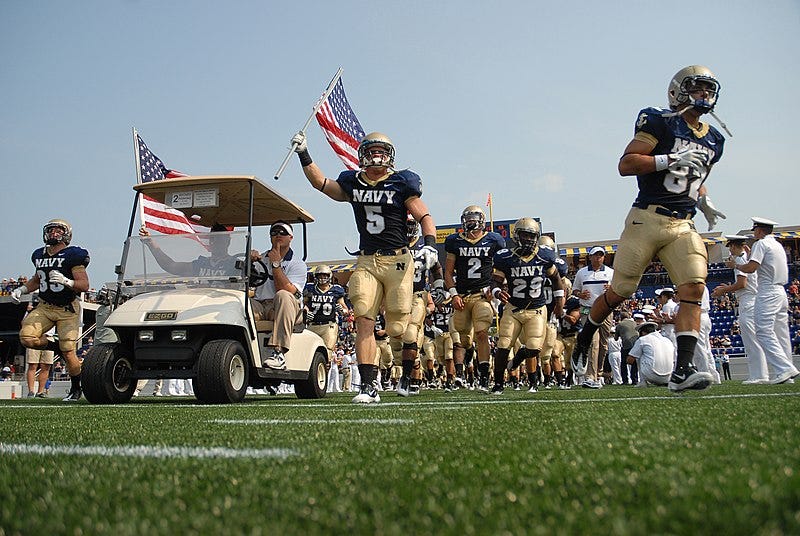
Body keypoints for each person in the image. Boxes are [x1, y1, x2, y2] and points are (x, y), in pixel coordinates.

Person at [571, 65, 728, 393]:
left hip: (683, 224)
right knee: (620, 292)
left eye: (708, 90)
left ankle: (683, 371)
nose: (704, 95)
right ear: (679, 91)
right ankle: (585, 337)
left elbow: (695, 181)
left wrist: (705, 201)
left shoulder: (714, 139)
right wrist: (669, 159)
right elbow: (626, 164)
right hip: (646, 218)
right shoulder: (659, 121)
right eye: (697, 88)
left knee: (694, 288)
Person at [291, 131, 438, 404]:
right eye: (371, 151)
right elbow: (321, 184)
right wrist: (304, 154)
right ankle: (368, 386)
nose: (376, 156)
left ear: (390, 155)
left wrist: (429, 244)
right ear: (362, 156)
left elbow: (424, 214)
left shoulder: (402, 182)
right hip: (367, 260)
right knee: (364, 321)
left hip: (398, 261)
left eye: (381, 151)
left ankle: (407, 374)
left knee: (397, 328)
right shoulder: (353, 182)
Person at [12, 219, 90, 401]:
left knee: (69, 351)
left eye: (58, 230)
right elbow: (37, 279)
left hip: (67, 309)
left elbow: (84, 285)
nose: (54, 233)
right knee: (27, 338)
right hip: (45, 306)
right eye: (51, 230)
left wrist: (67, 281)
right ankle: (57, 346)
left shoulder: (73, 255)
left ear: (66, 234)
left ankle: (76, 388)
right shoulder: (38, 255)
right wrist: (22, 289)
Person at [490, 218, 564, 395]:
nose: (528, 239)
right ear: (517, 236)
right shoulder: (506, 257)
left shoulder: (544, 256)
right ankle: (498, 384)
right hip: (513, 308)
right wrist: (497, 292)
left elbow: (556, 280)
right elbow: (495, 282)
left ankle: (518, 358)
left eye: (532, 236)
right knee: (503, 345)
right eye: (524, 235)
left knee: (533, 348)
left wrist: (560, 302)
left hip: (537, 309)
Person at [726, 217, 799, 384]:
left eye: (755, 230)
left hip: (767, 291)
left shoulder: (761, 244)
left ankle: (784, 368)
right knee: (781, 334)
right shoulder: (777, 244)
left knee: (763, 332)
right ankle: (787, 373)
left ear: (759, 230)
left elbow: (751, 268)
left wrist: (735, 266)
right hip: (781, 291)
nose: (754, 233)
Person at [444, 205, 506, 390]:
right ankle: (470, 354)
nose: (471, 221)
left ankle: (485, 375)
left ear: (482, 220)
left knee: (481, 333)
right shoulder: (454, 241)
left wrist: (494, 288)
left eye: (474, 218)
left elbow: (502, 268)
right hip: (462, 296)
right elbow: (448, 272)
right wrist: (453, 294)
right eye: (468, 218)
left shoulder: (494, 240)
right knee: (464, 341)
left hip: (482, 294)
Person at [391, 214, 446, 396]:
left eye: (410, 224)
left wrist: (439, 287)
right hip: (396, 295)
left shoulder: (424, 248)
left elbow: (437, 267)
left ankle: (406, 379)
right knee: (396, 338)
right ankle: (413, 365)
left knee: (411, 333)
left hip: (417, 295)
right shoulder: (392, 245)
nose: (407, 227)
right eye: (403, 223)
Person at [250, 221, 308, 370]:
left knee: (283, 295)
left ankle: (279, 353)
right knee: (240, 301)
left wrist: (276, 264)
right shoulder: (261, 259)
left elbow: (288, 290)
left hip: (286, 307)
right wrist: (249, 263)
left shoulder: (297, 264)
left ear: (290, 237)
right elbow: (247, 282)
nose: (278, 235)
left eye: (282, 233)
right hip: (261, 306)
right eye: (274, 233)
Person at [712, 235, 769, 384]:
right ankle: (760, 374)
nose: (730, 250)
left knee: (751, 340)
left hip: (748, 300)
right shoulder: (746, 258)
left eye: (730, 246)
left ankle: (758, 375)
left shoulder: (740, 260)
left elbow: (742, 283)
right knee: (754, 339)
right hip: (752, 300)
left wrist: (723, 291)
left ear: (735, 246)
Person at [571, 246, 614, 388]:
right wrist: (580, 295)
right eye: (595, 255)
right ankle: (590, 376)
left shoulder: (610, 272)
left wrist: (611, 290)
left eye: (601, 255)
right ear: (590, 257)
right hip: (588, 309)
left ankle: (598, 374)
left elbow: (618, 290)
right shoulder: (582, 273)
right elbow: (575, 290)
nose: (598, 258)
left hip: (606, 310)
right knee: (592, 342)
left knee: (603, 344)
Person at [140, 223, 240, 277]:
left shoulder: (236, 264)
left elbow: (252, 281)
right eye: (212, 238)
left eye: (219, 238)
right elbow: (170, 266)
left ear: (227, 241)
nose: (214, 242)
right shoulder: (201, 264)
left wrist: (255, 259)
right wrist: (151, 243)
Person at [304, 265, 349, 366]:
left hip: (329, 325)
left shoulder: (336, 290)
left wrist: (342, 310)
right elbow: (303, 304)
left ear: (330, 276)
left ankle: (325, 374)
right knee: (310, 353)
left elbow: (345, 309)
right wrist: (306, 312)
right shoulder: (310, 289)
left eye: (325, 276)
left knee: (327, 351)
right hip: (312, 325)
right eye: (319, 276)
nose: (322, 278)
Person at [23, 299, 55, 398]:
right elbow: (23, 323)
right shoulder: (34, 311)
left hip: (49, 337)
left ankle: (40, 391)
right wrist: (29, 311)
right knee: (33, 365)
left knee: (46, 366)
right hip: (34, 337)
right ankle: (31, 391)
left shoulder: (55, 310)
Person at [628, 321, 675, 386]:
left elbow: (630, 360)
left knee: (638, 355)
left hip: (651, 375)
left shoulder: (643, 339)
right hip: (669, 377)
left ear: (643, 332)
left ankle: (642, 382)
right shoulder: (667, 340)